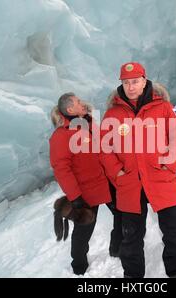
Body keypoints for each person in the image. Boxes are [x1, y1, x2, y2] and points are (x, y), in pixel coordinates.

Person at [100, 62, 176, 278]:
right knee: (130, 238)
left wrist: (168, 163)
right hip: (130, 184)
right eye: (126, 82)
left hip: (161, 178)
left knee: (175, 232)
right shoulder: (113, 115)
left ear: (144, 81)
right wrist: (118, 173)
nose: (130, 86)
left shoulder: (163, 108)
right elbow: (104, 148)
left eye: (134, 81)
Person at [49, 93, 122, 275]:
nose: (82, 103)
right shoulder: (61, 136)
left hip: (107, 182)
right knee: (84, 230)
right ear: (69, 109)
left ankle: (117, 248)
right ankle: (79, 267)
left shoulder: (89, 123)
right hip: (86, 192)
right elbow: (61, 170)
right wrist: (75, 197)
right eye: (78, 102)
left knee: (122, 214)